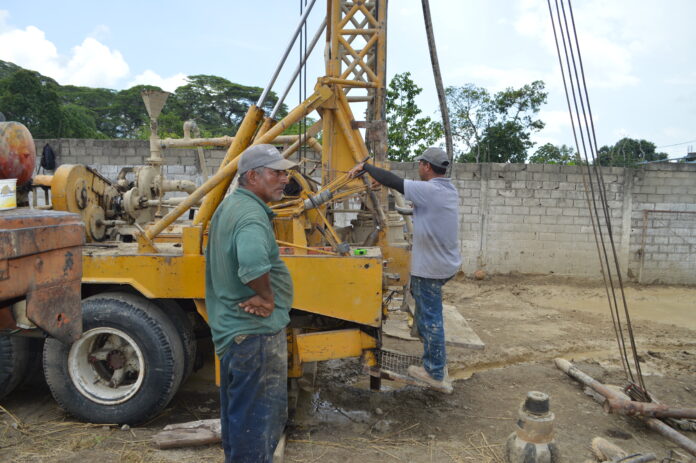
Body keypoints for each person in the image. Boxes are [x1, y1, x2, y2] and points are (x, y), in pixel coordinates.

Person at [205, 144, 297, 462]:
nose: (284, 179)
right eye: (276, 172)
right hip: (255, 336)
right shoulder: (252, 216)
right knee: (257, 427)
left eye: (285, 172)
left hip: (236, 334)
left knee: (240, 422)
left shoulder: (231, 207)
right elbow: (253, 264)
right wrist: (269, 298)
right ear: (253, 176)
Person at [349, 147, 461, 394]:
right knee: (425, 315)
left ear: (427, 167)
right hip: (445, 264)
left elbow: (394, 182)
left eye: (420, 164)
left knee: (430, 319)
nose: (419, 168)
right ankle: (434, 359)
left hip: (430, 268)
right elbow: (427, 212)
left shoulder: (429, 189)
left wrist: (366, 167)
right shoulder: (447, 190)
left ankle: (434, 372)